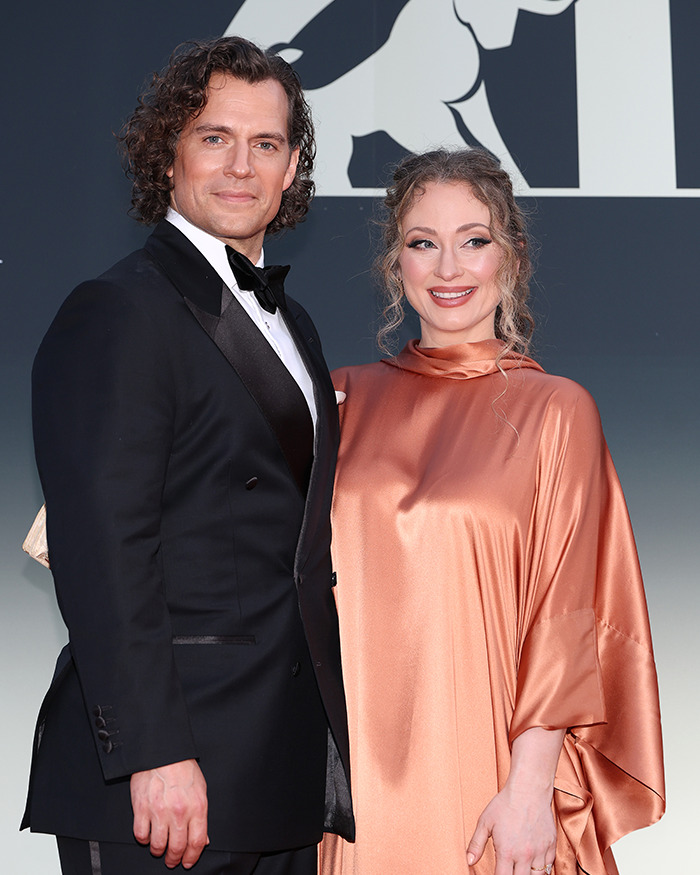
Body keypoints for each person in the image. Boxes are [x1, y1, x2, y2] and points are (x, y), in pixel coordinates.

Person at [22, 36, 353, 875]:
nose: (241, 165)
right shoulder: (117, 312)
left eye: (266, 144)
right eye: (214, 137)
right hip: (166, 783)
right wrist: (152, 752)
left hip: (274, 773)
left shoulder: (298, 327)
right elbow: (101, 551)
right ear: (166, 157)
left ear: (292, 169)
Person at [319, 149, 664, 875]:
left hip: (487, 788)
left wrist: (531, 791)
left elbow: (566, 614)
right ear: (395, 263)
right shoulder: (335, 400)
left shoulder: (555, 410)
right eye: (423, 243)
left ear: (512, 256)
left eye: (474, 240)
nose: (449, 268)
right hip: (349, 796)